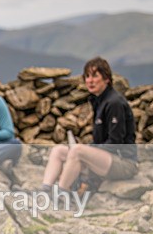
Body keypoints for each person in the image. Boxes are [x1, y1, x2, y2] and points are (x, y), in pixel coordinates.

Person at [41, 56, 137, 194]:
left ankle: (62, 193)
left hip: (124, 163)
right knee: (58, 151)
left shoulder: (114, 103)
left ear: (107, 79)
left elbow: (115, 143)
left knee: (77, 151)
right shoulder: (98, 101)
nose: (89, 81)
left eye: (95, 76)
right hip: (106, 160)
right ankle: (45, 190)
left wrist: (88, 149)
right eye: (87, 76)